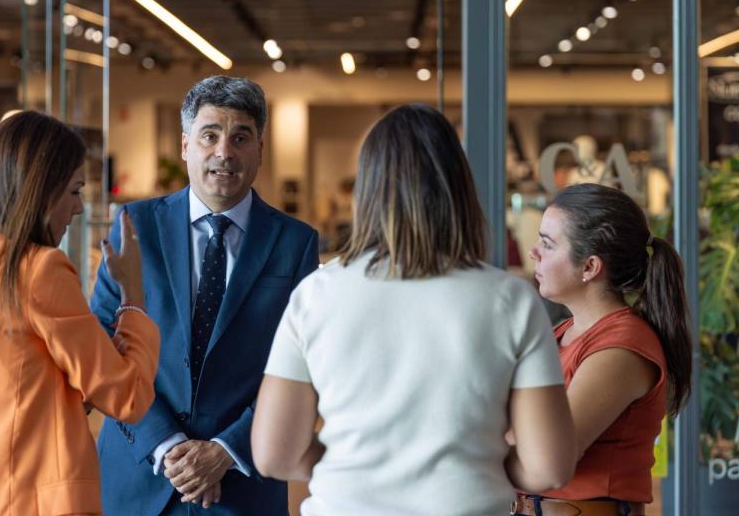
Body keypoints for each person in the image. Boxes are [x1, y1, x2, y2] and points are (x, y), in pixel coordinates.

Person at [251, 103, 575, 516]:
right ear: (459, 188)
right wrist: (482, 469)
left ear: (367, 191)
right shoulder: (511, 300)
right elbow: (548, 467)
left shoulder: (315, 295)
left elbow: (274, 454)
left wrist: (348, 472)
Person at [90, 76, 319, 515]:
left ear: (260, 149)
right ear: (185, 145)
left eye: (240, 138)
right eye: (209, 135)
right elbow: (102, 342)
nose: (224, 152)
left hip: (242, 487)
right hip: (141, 478)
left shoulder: (296, 244)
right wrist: (167, 444)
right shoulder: (135, 226)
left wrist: (225, 451)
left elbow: (308, 365)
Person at [0, 111, 161, 516]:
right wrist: (133, 296)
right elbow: (128, 396)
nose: (80, 208)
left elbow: (15, 379)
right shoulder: (39, 269)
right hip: (32, 499)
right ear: (39, 191)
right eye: (74, 191)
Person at [516, 182, 693, 516]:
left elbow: (549, 455)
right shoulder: (564, 332)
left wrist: (486, 443)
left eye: (547, 244)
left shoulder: (623, 346)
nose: (533, 252)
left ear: (590, 267)